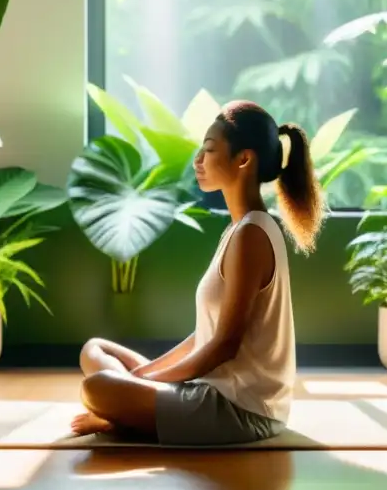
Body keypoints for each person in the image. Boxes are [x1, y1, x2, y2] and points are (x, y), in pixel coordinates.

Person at [71, 100, 325, 445]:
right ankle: (128, 413)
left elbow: (224, 346)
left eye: (208, 150)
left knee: (97, 387)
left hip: (241, 409)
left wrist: (147, 381)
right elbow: (205, 335)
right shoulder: (239, 229)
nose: (198, 161)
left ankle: (120, 418)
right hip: (211, 390)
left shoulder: (252, 233)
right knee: (95, 350)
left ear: (244, 159)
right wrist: (147, 377)